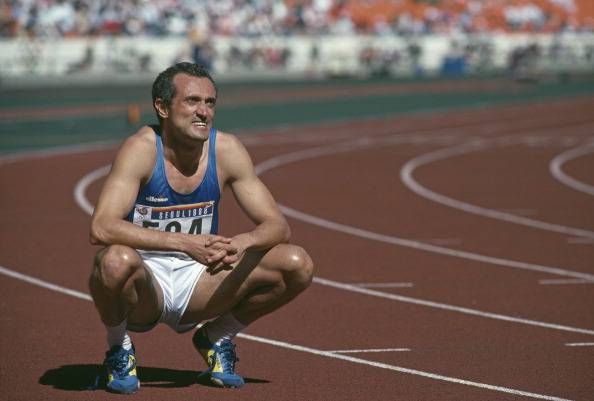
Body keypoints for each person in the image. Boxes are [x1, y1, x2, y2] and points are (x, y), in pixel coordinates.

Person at [88, 62, 314, 394]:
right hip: (145, 283)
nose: (203, 112)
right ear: (163, 108)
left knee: (297, 264)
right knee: (113, 261)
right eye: (192, 101)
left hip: (202, 281)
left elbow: (278, 226)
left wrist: (243, 242)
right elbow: (101, 228)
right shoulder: (140, 149)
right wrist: (183, 242)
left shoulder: (226, 150)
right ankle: (119, 349)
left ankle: (217, 336)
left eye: (210, 103)